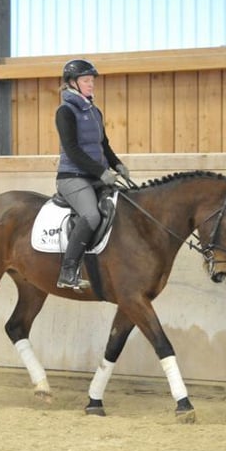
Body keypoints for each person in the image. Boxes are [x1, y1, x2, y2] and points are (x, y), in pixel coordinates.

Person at [55, 58, 130, 290]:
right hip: (72, 177)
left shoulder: (94, 111)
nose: (91, 84)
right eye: (86, 80)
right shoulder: (65, 111)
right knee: (91, 216)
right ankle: (68, 270)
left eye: (92, 81)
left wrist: (117, 164)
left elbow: (103, 144)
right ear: (72, 83)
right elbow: (72, 150)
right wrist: (100, 171)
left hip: (95, 177)